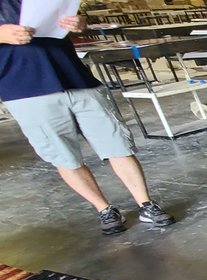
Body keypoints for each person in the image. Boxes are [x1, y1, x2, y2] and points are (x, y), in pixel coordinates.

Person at [0, 3, 174, 235]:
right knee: (64, 155)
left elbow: (65, 18)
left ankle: (146, 204)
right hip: (24, 88)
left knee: (117, 144)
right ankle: (104, 209)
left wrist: (78, 23)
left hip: (76, 78)